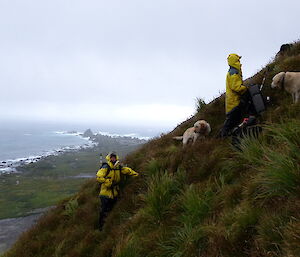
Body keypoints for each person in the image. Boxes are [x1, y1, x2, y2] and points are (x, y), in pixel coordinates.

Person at [96, 151, 138, 230]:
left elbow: (127, 170)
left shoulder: (118, 167)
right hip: (105, 193)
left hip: (114, 193)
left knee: (112, 210)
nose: (113, 158)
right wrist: (107, 182)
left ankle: (109, 226)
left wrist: (136, 174)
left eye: (114, 157)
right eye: (112, 157)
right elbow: (99, 177)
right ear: (109, 158)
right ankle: (101, 228)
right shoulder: (106, 166)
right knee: (104, 211)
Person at [219, 53, 248, 138]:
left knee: (233, 119)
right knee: (231, 120)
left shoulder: (233, 71)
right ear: (234, 61)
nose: (239, 62)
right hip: (234, 101)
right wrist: (245, 89)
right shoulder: (233, 72)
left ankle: (226, 134)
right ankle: (223, 136)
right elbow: (236, 87)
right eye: (238, 60)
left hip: (233, 100)